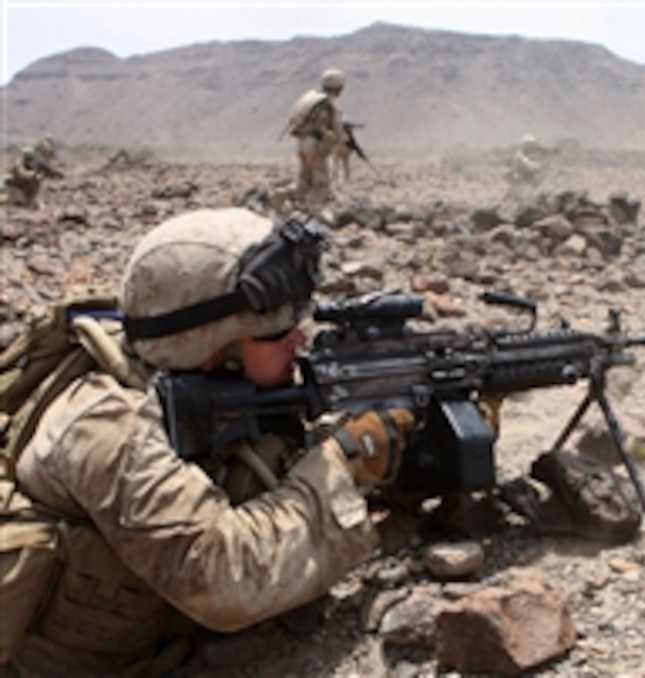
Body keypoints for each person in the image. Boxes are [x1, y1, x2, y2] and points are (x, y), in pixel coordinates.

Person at [7, 207, 418, 675]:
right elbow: (224, 579)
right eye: (277, 332)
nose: (300, 340)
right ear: (209, 347)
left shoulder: (206, 392)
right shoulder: (103, 425)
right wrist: (346, 461)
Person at [287, 68, 347, 209]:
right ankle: (316, 213)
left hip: (302, 143)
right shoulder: (328, 103)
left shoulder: (311, 99)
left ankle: (288, 198)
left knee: (304, 177)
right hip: (315, 146)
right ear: (337, 87)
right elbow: (338, 129)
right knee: (320, 182)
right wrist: (340, 139)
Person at [504, 133, 548, 203]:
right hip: (523, 184)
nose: (534, 146)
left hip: (525, 183)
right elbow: (530, 166)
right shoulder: (520, 156)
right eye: (532, 144)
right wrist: (542, 166)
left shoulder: (526, 155)